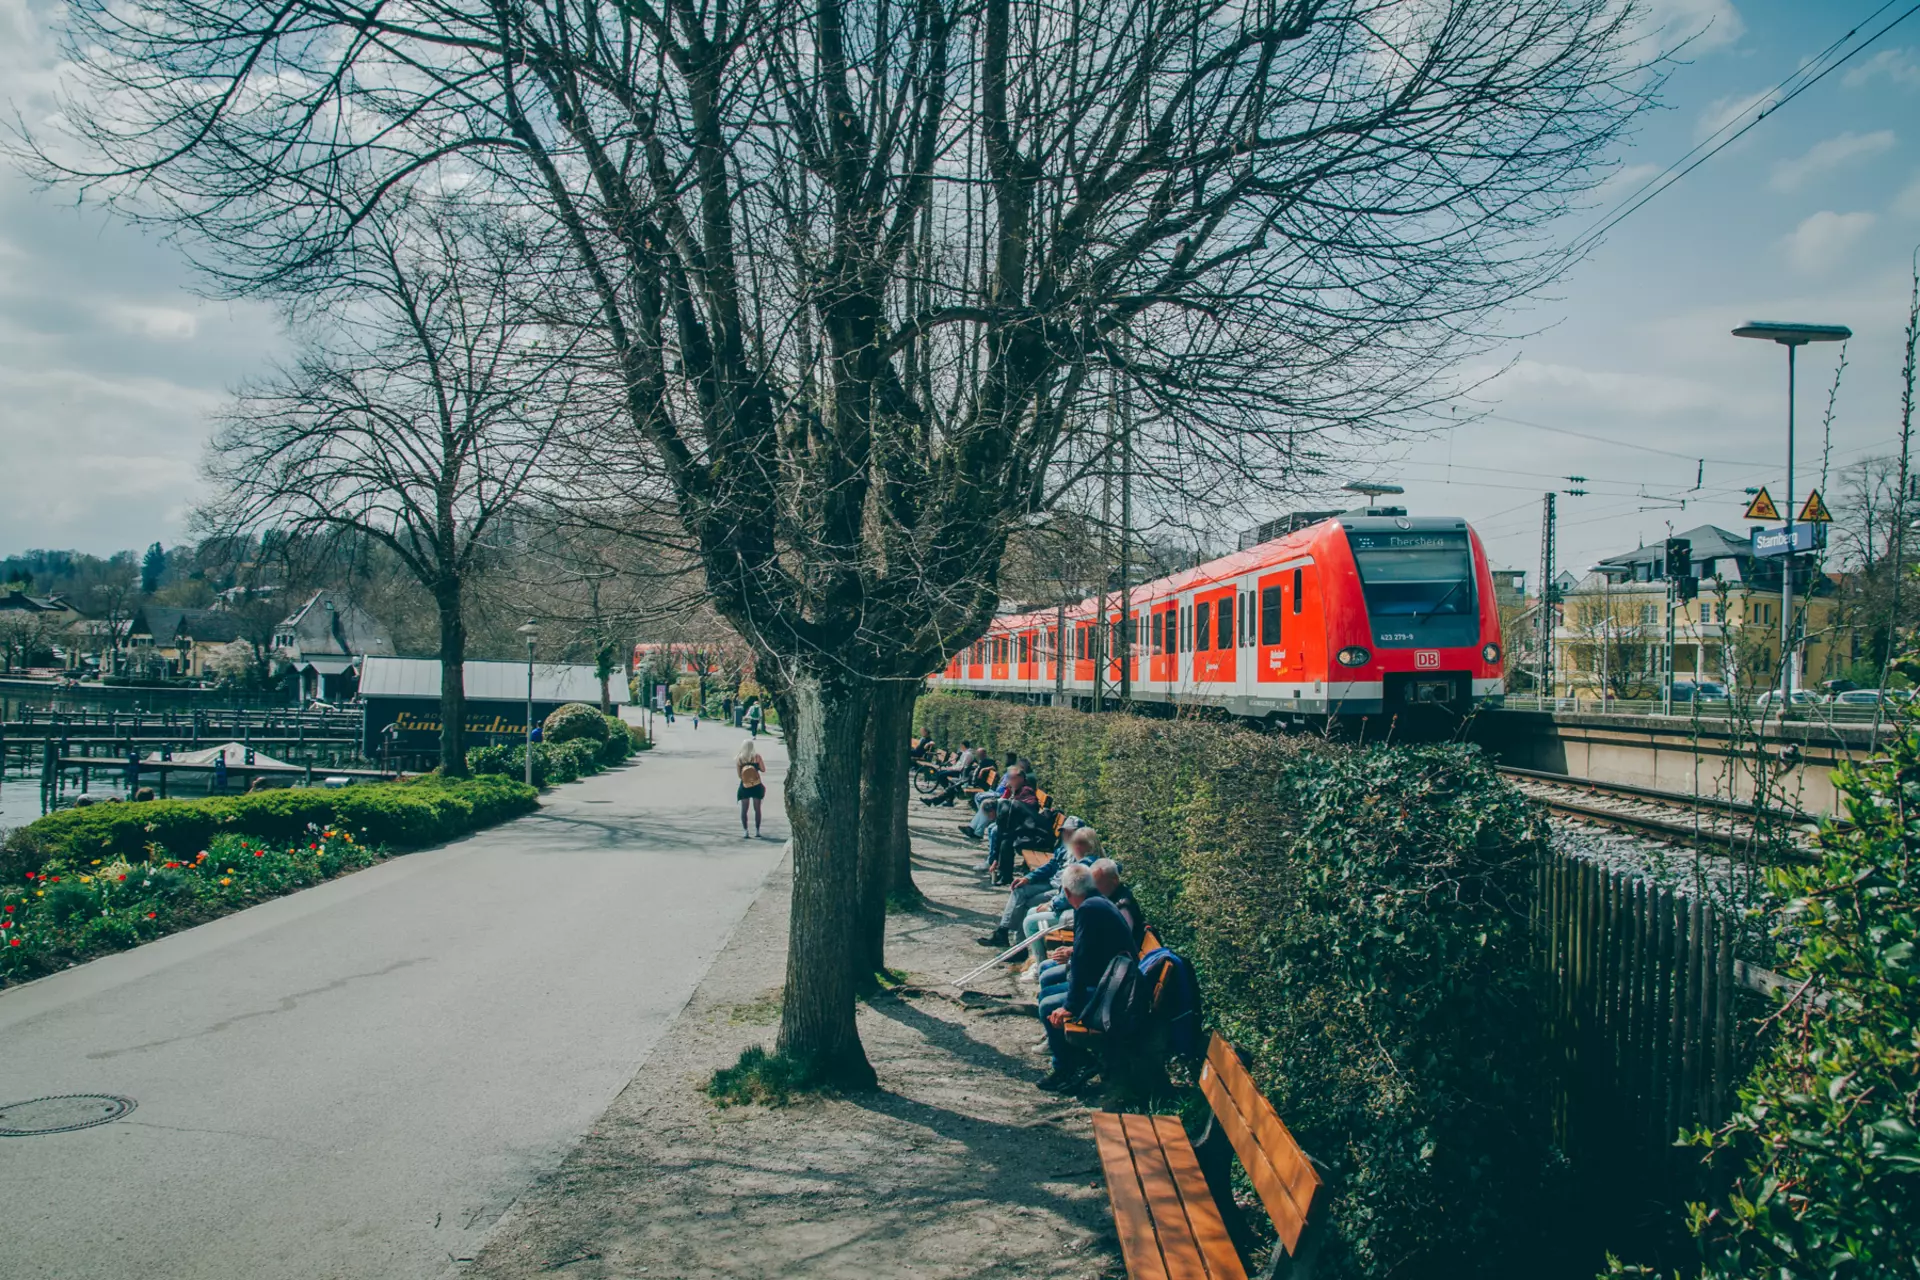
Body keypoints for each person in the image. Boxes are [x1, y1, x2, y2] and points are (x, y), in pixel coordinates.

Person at [1037, 863, 1132, 1092]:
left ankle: (1067, 1067)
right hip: (1110, 984)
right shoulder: (1096, 903)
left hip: (1114, 994)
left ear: (1068, 893)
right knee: (1046, 995)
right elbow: (1087, 955)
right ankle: (1078, 1058)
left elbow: (1080, 959)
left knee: (1049, 1006)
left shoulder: (1089, 910)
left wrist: (1070, 1006)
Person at [980, 822, 1096, 950]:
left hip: (1060, 891)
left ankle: (1020, 947)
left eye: (1071, 832)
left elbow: (1070, 890)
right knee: (1019, 889)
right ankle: (1002, 931)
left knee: (1028, 903)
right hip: (1051, 883)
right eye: (1065, 831)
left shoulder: (1085, 862)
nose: (1067, 835)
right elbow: (1050, 866)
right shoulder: (1065, 848)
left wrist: (1051, 904)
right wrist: (1028, 878)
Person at [735, 737, 767, 837]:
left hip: (745, 786)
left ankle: (745, 831)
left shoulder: (739, 758)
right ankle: (757, 831)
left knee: (744, 809)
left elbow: (739, 775)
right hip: (756, 785)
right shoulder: (757, 757)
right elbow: (763, 769)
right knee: (757, 809)